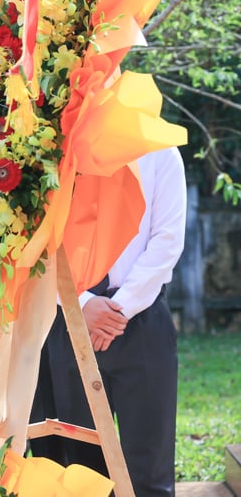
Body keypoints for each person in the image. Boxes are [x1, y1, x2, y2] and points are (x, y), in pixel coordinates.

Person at [29, 147, 186, 497]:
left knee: (150, 468)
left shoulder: (161, 152)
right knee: (80, 471)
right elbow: (39, 237)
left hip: (141, 320)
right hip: (67, 317)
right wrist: (81, 304)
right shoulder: (58, 145)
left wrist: (119, 310)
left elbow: (168, 240)